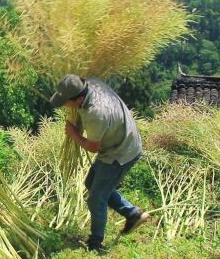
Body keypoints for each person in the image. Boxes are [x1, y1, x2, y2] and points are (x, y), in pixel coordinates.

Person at [50, 74, 149, 252]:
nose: (64, 104)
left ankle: (96, 243)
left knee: (96, 199)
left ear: (79, 98)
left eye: (66, 101)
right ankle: (132, 213)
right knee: (90, 183)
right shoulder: (91, 82)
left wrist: (74, 134)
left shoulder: (96, 114)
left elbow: (93, 147)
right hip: (118, 140)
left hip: (120, 152)